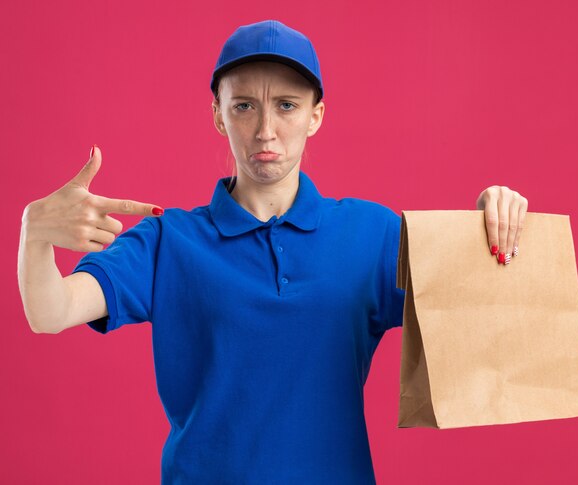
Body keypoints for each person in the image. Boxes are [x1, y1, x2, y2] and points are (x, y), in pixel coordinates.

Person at [18, 19, 529, 485]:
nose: (266, 130)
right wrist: (34, 235)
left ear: (316, 116)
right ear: (218, 115)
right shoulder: (167, 241)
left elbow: (481, 320)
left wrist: (488, 225)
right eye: (244, 106)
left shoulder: (372, 233)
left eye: (287, 105)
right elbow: (50, 311)